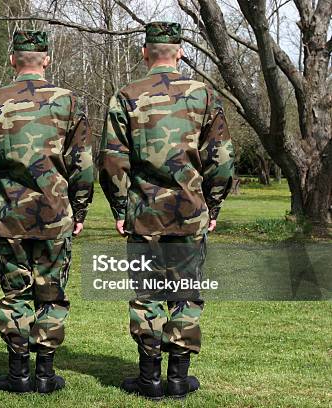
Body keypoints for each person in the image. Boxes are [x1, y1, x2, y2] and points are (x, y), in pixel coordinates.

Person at [98, 22, 234, 399]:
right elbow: (221, 160)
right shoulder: (203, 95)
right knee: (186, 294)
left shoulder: (126, 96)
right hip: (190, 213)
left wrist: (120, 206)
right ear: (180, 52)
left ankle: (149, 379)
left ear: (145, 53)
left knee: (147, 296)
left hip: (144, 215)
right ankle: (177, 378)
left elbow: (112, 160)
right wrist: (214, 203)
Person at [0, 30, 94, 394]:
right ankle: (44, 373)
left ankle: (18, 372)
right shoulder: (68, 102)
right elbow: (82, 165)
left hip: (11, 216)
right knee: (50, 293)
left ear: (13, 61)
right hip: (55, 214)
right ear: (46, 60)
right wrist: (80, 209)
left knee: (15, 294)